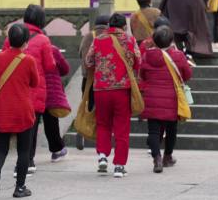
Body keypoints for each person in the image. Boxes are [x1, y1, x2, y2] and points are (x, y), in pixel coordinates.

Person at [0, 24, 39, 199]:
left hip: (2, 110)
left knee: (0, 148)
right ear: (25, 41)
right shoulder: (29, 60)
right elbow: (34, 83)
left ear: (8, 39)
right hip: (23, 111)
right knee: (23, 150)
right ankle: (20, 187)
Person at [85, 13, 140, 178]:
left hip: (101, 90)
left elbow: (88, 62)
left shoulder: (98, 39)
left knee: (103, 124)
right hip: (122, 89)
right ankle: (119, 165)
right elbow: (139, 61)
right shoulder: (130, 40)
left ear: (110, 26)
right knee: (121, 128)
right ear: (124, 27)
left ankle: (102, 156)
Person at [2, 4, 55, 174]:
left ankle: (20, 162)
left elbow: (4, 59)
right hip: (36, 89)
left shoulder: (10, 37)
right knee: (32, 126)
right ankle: (28, 160)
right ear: (41, 20)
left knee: (19, 126)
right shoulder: (43, 40)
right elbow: (49, 66)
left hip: (15, 89)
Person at [139, 26, 192, 173]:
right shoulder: (178, 56)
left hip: (151, 98)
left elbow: (142, 74)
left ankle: (156, 159)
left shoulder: (147, 56)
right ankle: (167, 157)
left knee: (153, 131)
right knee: (171, 130)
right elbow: (187, 75)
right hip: (171, 99)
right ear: (171, 40)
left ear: (154, 41)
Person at [76, 14, 110, 150]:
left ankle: (83, 129)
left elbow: (81, 53)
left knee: (88, 106)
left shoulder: (89, 36)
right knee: (102, 109)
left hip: (88, 79)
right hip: (104, 80)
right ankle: (99, 133)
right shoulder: (109, 37)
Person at [42, 45, 72, 162]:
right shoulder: (52, 49)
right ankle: (56, 150)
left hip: (32, 90)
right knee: (51, 122)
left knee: (31, 124)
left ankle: (28, 156)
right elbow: (65, 68)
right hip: (50, 91)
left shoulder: (27, 48)